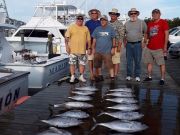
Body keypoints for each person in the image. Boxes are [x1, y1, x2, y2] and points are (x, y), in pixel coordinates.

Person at [143, 9, 169, 85]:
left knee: (161, 64)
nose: (155, 15)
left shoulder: (163, 22)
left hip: (159, 48)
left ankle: (162, 79)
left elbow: (166, 35)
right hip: (149, 47)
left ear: (160, 14)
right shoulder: (150, 23)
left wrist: (165, 46)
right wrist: (145, 41)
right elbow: (147, 34)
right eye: (153, 13)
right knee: (149, 63)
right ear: (152, 15)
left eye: (157, 13)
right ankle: (149, 77)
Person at [65, 14, 91, 83]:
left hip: (82, 50)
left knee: (82, 64)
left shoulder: (85, 28)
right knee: (72, 64)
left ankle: (81, 76)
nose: (80, 20)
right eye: (78, 19)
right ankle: (72, 76)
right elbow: (66, 38)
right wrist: (67, 47)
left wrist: (89, 48)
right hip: (72, 50)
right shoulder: (71, 27)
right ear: (76, 19)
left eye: (81, 19)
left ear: (83, 20)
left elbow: (89, 40)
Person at [124, 8, 147, 82]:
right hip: (129, 44)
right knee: (129, 61)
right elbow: (124, 34)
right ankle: (129, 75)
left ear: (137, 14)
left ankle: (137, 75)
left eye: (134, 13)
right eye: (131, 13)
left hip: (138, 44)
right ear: (130, 14)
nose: (133, 15)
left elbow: (146, 32)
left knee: (137, 60)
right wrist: (124, 41)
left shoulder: (141, 22)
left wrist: (144, 42)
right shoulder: (126, 23)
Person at [92, 15, 116, 80]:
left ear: (107, 21)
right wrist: (93, 48)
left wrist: (113, 48)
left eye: (104, 20)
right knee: (97, 64)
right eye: (101, 20)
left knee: (109, 65)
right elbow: (94, 39)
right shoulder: (97, 29)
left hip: (107, 51)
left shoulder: (111, 29)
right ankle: (100, 75)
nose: (102, 21)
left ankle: (112, 76)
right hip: (98, 51)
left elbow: (113, 38)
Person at [85, 9, 101, 81]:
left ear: (98, 14)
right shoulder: (87, 23)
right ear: (90, 14)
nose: (94, 14)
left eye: (95, 13)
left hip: (99, 44)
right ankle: (91, 74)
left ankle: (96, 74)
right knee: (90, 59)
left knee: (97, 59)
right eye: (92, 13)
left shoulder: (100, 22)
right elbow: (85, 34)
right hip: (90, 44)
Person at [108, 8, 125, 78]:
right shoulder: (108, 23)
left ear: (117, 15)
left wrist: (119, 46)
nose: (113, 15)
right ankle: (111, 74)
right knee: (110, 61)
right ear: (110, 15)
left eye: (114, 14)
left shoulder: (119, 23)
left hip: (117, 45)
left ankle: (115, 75)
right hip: (108, 45)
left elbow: (122, 35)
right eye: (112, 14)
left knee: (116, 61)